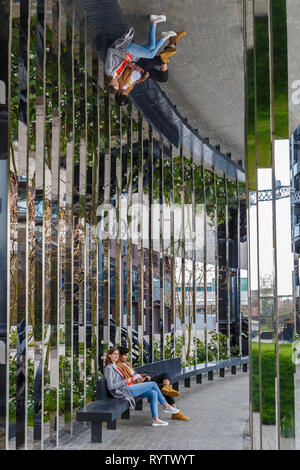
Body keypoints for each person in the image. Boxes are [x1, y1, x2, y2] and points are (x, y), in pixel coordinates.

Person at [104, 346, 180, 427]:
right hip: (124, 390)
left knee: (153, 393)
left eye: (117, 354)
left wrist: (133, 380)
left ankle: (155, 419)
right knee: (153, 384)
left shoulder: (116, 365)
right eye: (114, 354)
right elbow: (110, 386)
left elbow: (129, 376)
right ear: (109, 355)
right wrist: (125, 381)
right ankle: (166, 405)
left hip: (129, 387)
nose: (116, 356)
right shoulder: (109, 368)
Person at [112, 31, 186, 105]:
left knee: (157, 60)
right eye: (126, 95)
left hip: (138, 64)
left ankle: (166, 53)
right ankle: (169, 48)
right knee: (163, 78)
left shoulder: (118, 82)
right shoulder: (127, 90)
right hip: (143, 73)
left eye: (123, 94)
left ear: (118, 94)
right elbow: (134, 81)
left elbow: (123, 66)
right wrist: (143, 78)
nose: (126, 93)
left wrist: (134, 67)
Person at [105, 15, 176, 89]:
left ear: (110, 84)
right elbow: (122, 63)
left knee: (151, 55)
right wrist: (133, 65)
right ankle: (154, 24)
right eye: (117, 85)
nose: (117, 83)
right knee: (151, 46)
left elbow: (110, 51)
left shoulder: (109, 70)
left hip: (126, 49)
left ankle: (163, 37)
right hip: (131, 56)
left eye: (115, 84)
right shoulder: (117, 76)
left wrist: (123, 55)